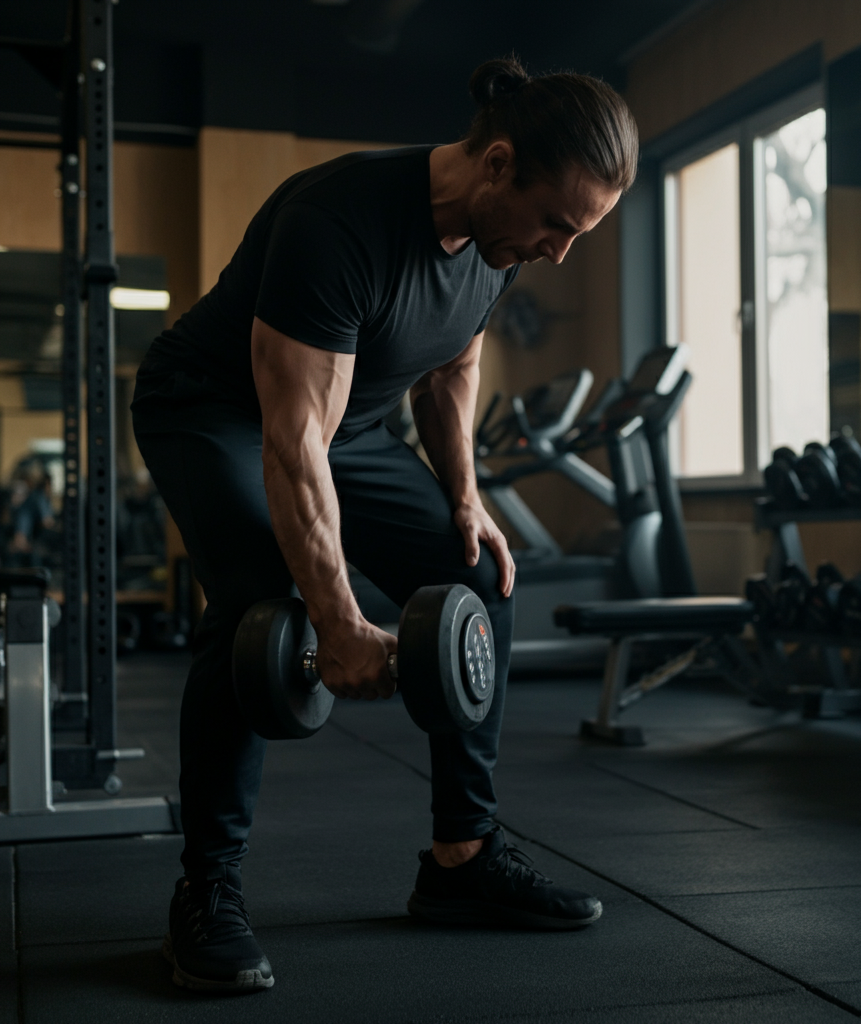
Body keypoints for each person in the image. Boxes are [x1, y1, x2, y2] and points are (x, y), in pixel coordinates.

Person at [132, 55, 638, 994]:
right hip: (212, 409)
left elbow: (453, 365)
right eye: (557, 227)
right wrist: (336, 623)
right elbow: (291, 444)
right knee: (256, 603)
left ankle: (463, 857)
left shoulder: (498, 241)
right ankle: (206, 891)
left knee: (477, 574)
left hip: (350, 427)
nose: (560, 252)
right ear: (495, 165)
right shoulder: (340, 222)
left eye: (581, 233)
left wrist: (464, 497)